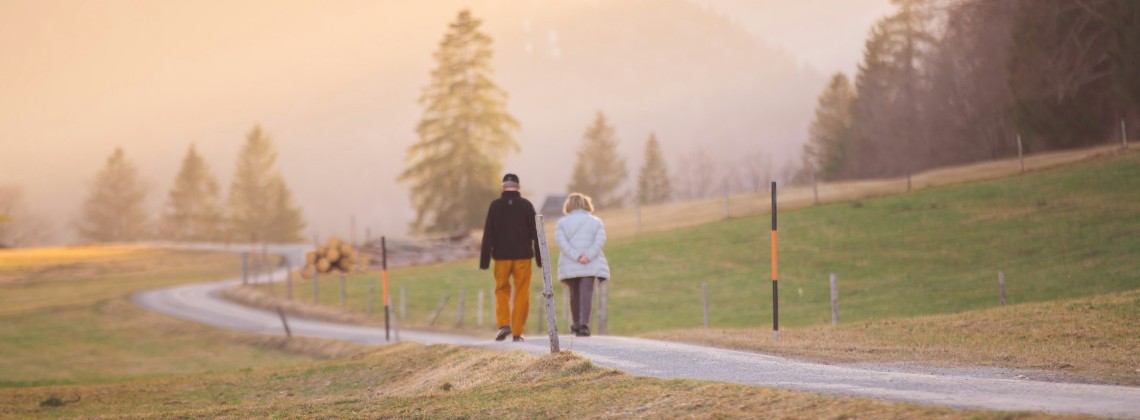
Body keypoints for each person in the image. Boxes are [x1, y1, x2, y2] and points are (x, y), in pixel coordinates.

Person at [480, 173, 542, 342]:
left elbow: (488, 234)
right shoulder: (526, 206)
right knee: (522, 293)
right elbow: (537, 234)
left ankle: (503, 324)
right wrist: (540, 259)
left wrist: (484, 260)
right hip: (523, 257)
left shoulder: (495, 206)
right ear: (518, 187)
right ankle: (517, 332)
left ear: (503, 186)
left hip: (501, 258)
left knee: (501, 290)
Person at [555, 193, 610, 337]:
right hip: (590, 264)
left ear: (569, 205)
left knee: (574, 293)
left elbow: (562, 243)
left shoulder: (562, 223)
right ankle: (585, 325)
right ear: (586, 204)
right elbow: (600, 240)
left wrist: (576, 256)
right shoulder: (596, 221)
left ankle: (576, 324)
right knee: (587, 293)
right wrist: (587, 256)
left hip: (570, 262)